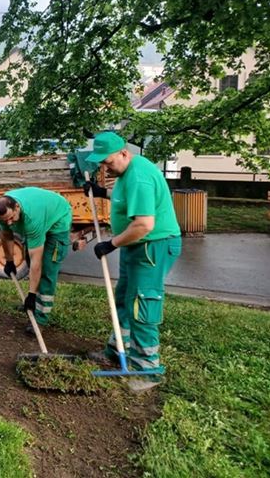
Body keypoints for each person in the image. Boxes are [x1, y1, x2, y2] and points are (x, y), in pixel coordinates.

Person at [84, 131, 182, 392]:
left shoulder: (139, 176)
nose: (105, 167)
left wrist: (111, 244)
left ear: (124, 153)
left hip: (152, 246)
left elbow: (144, 224)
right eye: (101, 164)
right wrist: (100, 192)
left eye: (108, 162)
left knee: (142, 304)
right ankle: (118, 350)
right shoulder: (127, 173)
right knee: (124, 297)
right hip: (135, 245)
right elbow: (124, 200)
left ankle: (147, 369)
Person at [0, 187, 72, 329]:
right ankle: (35, 304)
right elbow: (6, 235)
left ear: (17, 207)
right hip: (40, 214)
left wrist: (31, 294)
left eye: (11, 218)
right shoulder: (3, 212)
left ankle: (41, 317)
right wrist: (9, 261)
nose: (9, 223)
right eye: (6, 220)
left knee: (47, 269)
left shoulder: (32, 218)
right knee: (28, 260)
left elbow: (37, 261)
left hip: (57, 221)